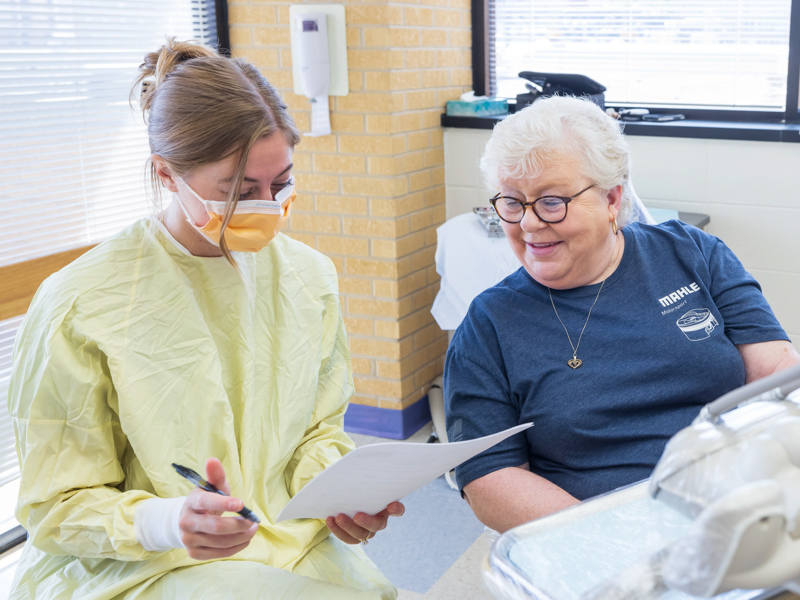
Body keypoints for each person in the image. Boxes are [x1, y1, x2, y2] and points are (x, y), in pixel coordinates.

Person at [7, 38, 402, 599]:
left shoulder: (308, 277)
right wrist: (168, 521)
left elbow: (317, 430)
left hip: (288, 539)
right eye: (240, 192)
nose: (268, 207)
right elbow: (56, 506)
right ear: (166, 175)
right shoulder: (82, 304)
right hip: (145, 563)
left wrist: (336, 493)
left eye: (281, 183)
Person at [443, 95, 800, 534]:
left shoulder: (691, 254)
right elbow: (488, 478)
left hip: (738, 507)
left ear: (612, 199)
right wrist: (611, 538)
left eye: (552, 201)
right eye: (513, 203)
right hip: (591, 535)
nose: (529, 224)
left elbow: (778, 377)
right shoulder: (490, 324)